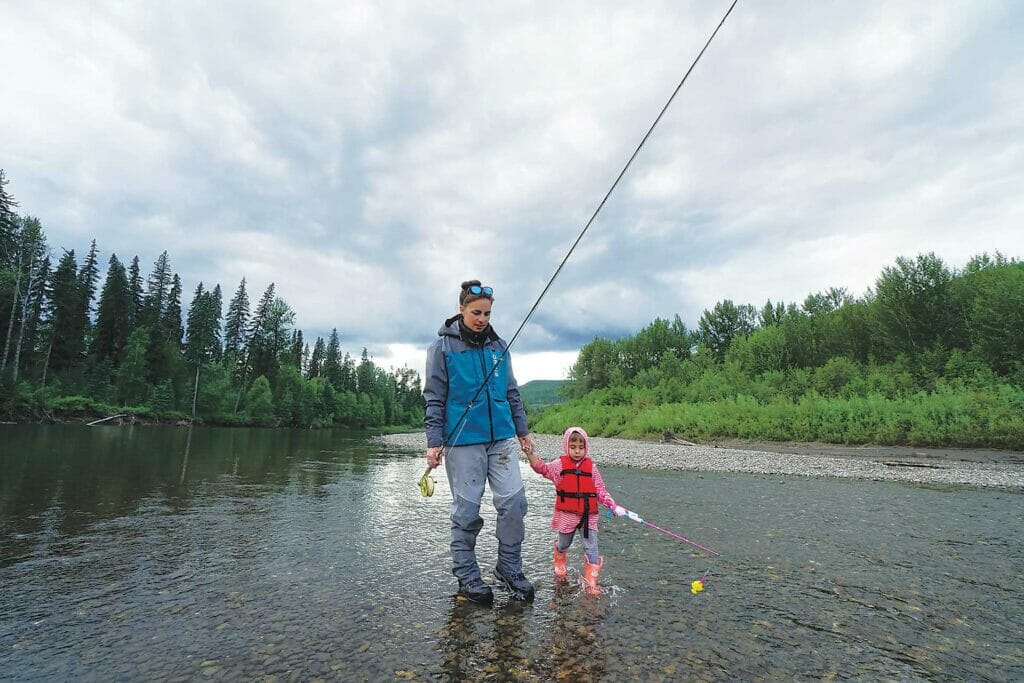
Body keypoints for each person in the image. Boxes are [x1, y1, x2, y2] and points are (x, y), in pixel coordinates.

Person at [423, 280, 537, 604]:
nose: (482, 319)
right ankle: (467, 575)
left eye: (487, 313)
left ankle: (509, 568)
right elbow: (434, 398)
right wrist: (434, 441)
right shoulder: (441, 348)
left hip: (501, 438)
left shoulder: (500, 346)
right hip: (463, 441)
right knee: (467, 512)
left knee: (514, 504)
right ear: (461, 310)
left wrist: (522, 431)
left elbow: (511, 393)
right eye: (476, 312)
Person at [524, 426, 627, 595]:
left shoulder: (592, 468)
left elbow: (600, 491)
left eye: (581, 447)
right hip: (567, 516)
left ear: (586, 447)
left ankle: (591, 582)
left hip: (588, 517)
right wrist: (530, 454)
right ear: (567, 446)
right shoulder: (559, 466)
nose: (577, 451)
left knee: (591, 549)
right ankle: (559, 559)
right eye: (573, 447)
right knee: (564, 544)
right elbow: (542, 468)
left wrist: (612, 505)